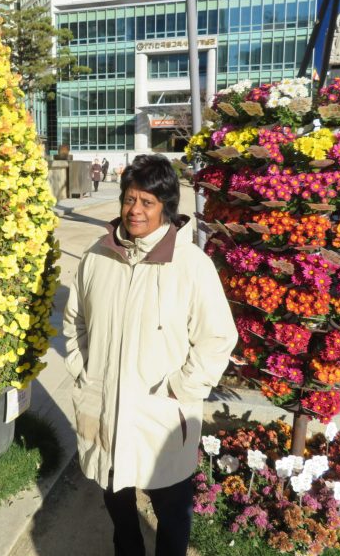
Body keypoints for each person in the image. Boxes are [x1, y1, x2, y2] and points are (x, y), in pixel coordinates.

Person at [63, 154, 238, 556]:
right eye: (129, 199)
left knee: (172, 511)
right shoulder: (97, 257)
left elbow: (217, 337)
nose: (135, 210)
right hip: (104, 407)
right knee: (117, 504)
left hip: (161, 415)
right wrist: (85, 370)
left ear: (166, 209)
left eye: (147, 202)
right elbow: (76, 321)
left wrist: (181, 388)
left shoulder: (190, 264)